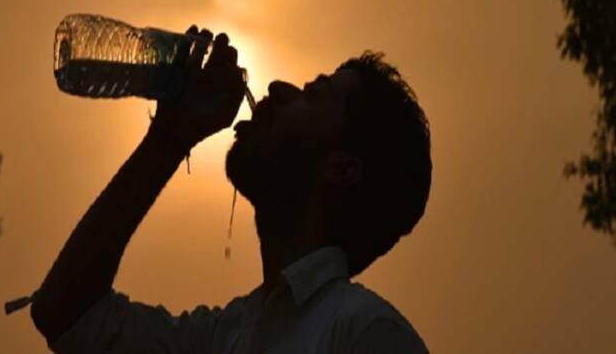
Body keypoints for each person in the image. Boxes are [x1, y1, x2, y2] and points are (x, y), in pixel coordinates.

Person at [31, 27, 432, 353]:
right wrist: (169, 137)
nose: (277, 88)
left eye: (313, 95)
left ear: (341, 169)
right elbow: (66, 313)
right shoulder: (224, 336)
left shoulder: (366, 334)